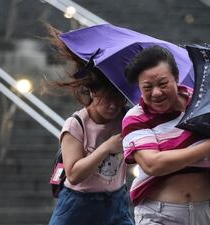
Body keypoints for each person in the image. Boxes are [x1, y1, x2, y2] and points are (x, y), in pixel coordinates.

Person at [122, 45, 210, 225]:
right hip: (159, 215)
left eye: (163, 84)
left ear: (176, 78)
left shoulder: (203, 104)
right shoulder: (135, 118)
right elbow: (152, 163)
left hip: (209, 213)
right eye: (147, 87)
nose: (156, 93)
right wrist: (207, 149)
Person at [47, 26, 134, 225]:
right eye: (107, 98)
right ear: (93, 92)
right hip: (78, 203)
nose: (113, 105)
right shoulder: (77, 124)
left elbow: (135, 159)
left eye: (119, 99)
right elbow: (74, 174)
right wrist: (106, 148)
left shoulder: (127, 118)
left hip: (116, 200)